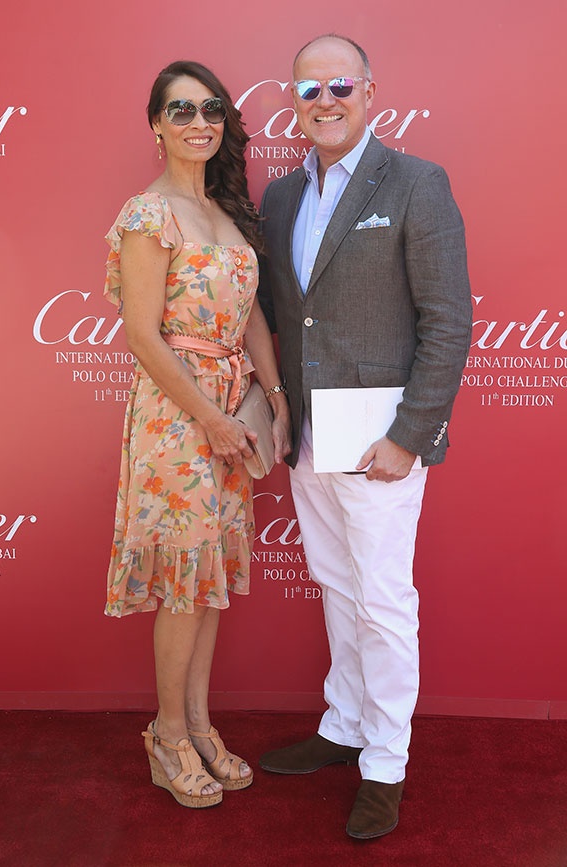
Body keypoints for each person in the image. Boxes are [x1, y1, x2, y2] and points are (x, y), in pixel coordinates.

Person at [257, 34, 472, 839]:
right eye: (309, 89)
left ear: (370, 92)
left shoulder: (417, 182)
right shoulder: (282, 196)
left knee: (382, 602)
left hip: (383, 443)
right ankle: (344, 723)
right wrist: (280, 413)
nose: (326, 101)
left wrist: (410, 434)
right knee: (336, 586)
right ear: (294, 102)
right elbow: (286, 316)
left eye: (340, 86)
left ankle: (385, 761)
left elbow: (449, 320)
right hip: (310, 437)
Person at [103, 60, 291, 809]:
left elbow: (252, 318)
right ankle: (168, 737)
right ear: (156, 124)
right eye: (180, 110)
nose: (198, 122)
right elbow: (142, 337)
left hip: (233, 412)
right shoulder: (148, 214)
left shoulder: (225, 210)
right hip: (177, 418)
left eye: (210, 108)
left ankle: (200, 726)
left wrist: (273, 400)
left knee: (206, 582)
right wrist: (210, 418)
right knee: (183, 582)